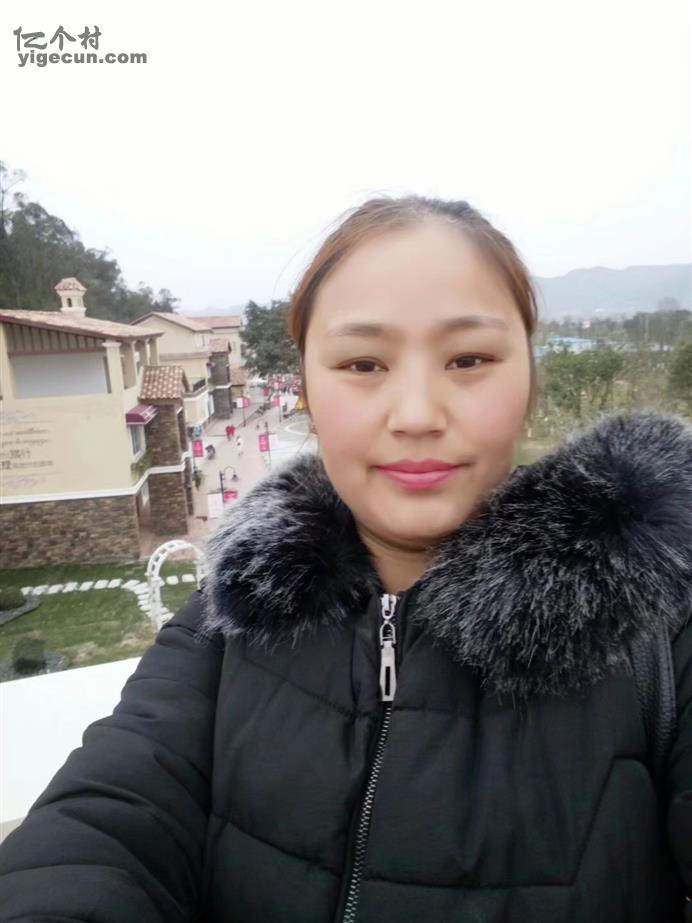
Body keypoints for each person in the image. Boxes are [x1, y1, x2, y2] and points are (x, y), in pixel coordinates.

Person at [1, 196, 690, 922]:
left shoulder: (657, 620)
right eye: (363, 363)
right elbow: (107, 818)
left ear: (528, 380)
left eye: (470, 359)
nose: (417, 414)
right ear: (306, 386)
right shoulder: (235, 615)